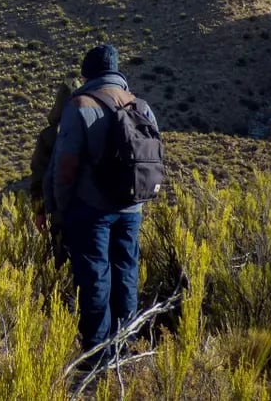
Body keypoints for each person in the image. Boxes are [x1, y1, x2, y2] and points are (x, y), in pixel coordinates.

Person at [47, 44, 159, 361]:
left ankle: (98, 355)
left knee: (96, 277)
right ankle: (126, 347)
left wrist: (61, 207)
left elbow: (65, 167)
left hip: (91, 208)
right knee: (126, 274)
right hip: (132, 207)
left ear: (88, 73)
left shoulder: (80, 104)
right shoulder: (141, 105)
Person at [30, 82, 73, 262]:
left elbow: (38, 174)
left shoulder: (49, 135)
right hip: (92, 210)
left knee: (62, 261)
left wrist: (39, 211)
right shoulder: (94, 126)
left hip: (59, 211)